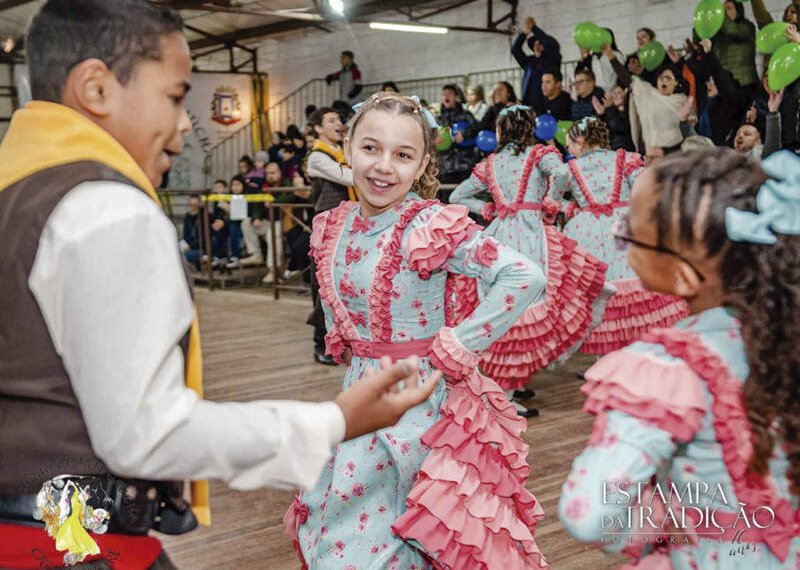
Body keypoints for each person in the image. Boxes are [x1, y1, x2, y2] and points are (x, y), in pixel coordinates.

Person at [0, 2, 441, 567]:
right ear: (97, 88)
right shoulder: (108, 208)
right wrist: (335, 420)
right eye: (176, 96)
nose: (186, 124)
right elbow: (146, 433)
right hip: (72, 539)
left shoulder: (20, 191)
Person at [285, 91, 547, 570]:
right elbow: (337, 297)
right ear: (347, 148)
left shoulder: (428, 224)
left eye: (403, 155)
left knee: (409, 533)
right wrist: (347, 333)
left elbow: (524, 276)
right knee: (342, 533)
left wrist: (462, 343)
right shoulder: (333, 225)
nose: (383, 166)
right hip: (360, 398)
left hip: (421, 408)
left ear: (423, 161)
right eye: (370, 148)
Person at [560, 148, 800, 568]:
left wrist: (659, 520)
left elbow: (591, 516)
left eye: (629, 231)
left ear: (684, 275)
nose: (621, 235)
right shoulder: (788, 336)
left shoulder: (665, 369)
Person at [450, 105, 612, 417]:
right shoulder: (540, 154)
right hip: (531, 233)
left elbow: (457, 196)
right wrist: (551, 199)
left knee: (504, 306)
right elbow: (563, 171)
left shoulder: (490, 163)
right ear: (530, 127)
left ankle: (510, 384)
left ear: (501, 130)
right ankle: (506, 393)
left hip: (499, 236)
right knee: (533, 306)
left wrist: (485, 210)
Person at [550, 118, 688, 354]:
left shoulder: (567, 169)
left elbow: (552, 201)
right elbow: (646, 187)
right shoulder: (626, 159)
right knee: (635, 286)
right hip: (626, 226)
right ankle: (643, 351)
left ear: (581, 140)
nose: (569, 149)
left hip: (588, 231)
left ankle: (606, 359)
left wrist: (570, 208)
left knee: (598, 293)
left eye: (570, 143)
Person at [306, 106, 356, 365]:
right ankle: (320, 342)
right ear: (317, 128)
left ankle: (341, 341)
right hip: (327, 228)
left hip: (347, 224)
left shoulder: (342, 152)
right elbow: (349, 178)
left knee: (342, 285)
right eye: (331, 120)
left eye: (339, 119)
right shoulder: (318, 156)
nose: (339, 123)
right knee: (323, 286)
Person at [436, 83, 479, 193]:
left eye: (449, 94)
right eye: (443, 94)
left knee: (466, 199)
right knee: (447, 201)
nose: (446, 96)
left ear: (456, 97)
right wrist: (434, 140)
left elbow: (477, 129)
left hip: (465, 165)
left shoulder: (466, 115)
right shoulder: (438, 119)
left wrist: (464, 134)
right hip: (445, 167)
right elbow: (428, 136)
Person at [511, 16, 561, 110]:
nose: (537, 45)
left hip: (547, 105)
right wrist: (524, 33)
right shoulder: (529, 62)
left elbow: (549, 43)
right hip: (529, 106)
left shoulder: (553, 59)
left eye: (540, 43)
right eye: (535, 43)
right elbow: (515, 50)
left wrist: (534, 28)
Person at [576, 28, 625, 94]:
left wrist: (619, 89)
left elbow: (622, 74)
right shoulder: (593, 57)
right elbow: (578, 72)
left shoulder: (616, 54)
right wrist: (583, 56)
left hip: (612, 93)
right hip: (596, 93)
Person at [180, 193, 203, 269]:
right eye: (190, 204)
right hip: (188, 247)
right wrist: (185, 244)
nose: (192, 206)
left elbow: (204, 239)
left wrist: (190, 245)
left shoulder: (204, 216)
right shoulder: (187, 217)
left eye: (194, 204)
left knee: (181, 256)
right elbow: (185, 234)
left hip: (200, 250)